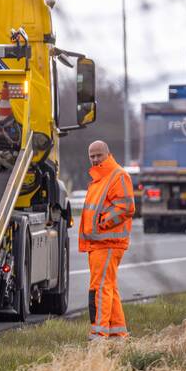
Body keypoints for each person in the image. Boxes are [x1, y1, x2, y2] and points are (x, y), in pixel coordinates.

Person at [78, 140, 134, 341]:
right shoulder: (99, 178)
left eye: (98, 155)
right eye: (91, 156)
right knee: (108, 287)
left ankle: (99, 335)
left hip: (108, 243)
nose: (94, 159)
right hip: (99, 243)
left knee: (100, 288)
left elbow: (126, 206)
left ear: (107, 154)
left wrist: (102, 222)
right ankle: (118, 334)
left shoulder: (117, 175)